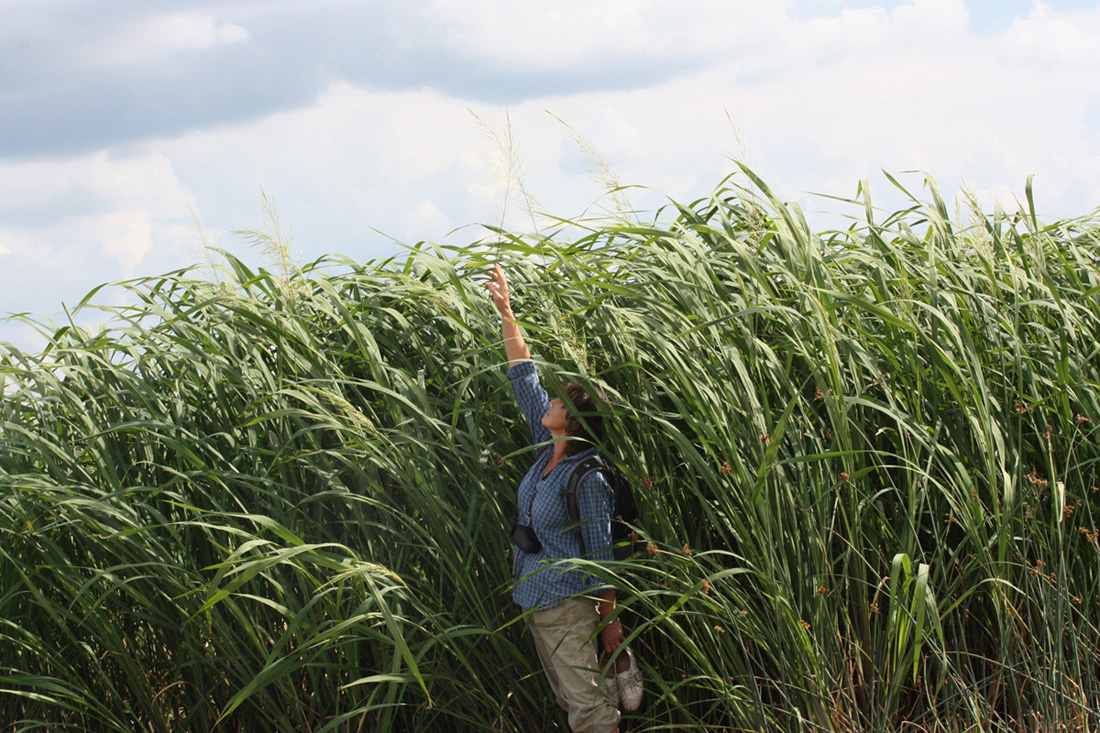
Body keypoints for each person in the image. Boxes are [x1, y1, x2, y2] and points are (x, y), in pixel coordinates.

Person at [487, 263, 624, 733]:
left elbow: (601, 555)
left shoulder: (588, 479)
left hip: (568, 606)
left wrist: (611, 623)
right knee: (572, 704)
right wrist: (507, 311)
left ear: (575, 421)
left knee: (588, 710)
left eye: (560, 402)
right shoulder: (544, 449)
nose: (550, 403)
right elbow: (523, 376)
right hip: (535, 602)